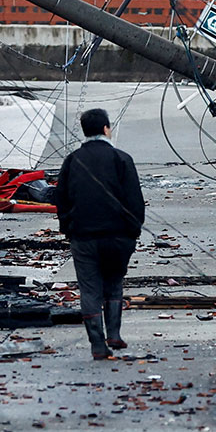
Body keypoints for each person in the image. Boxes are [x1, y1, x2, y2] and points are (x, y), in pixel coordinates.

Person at [54, 108, 146, 359]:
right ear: (106, 129)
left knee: (90, 289)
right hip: (119, 236)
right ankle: (114, 334)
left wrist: (68, 228)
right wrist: (133, 230)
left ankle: (97, 343)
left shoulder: (72, 160)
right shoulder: (122, 159)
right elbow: (136, 200)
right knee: (114, 282)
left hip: (83, 237)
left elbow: (60, 198)